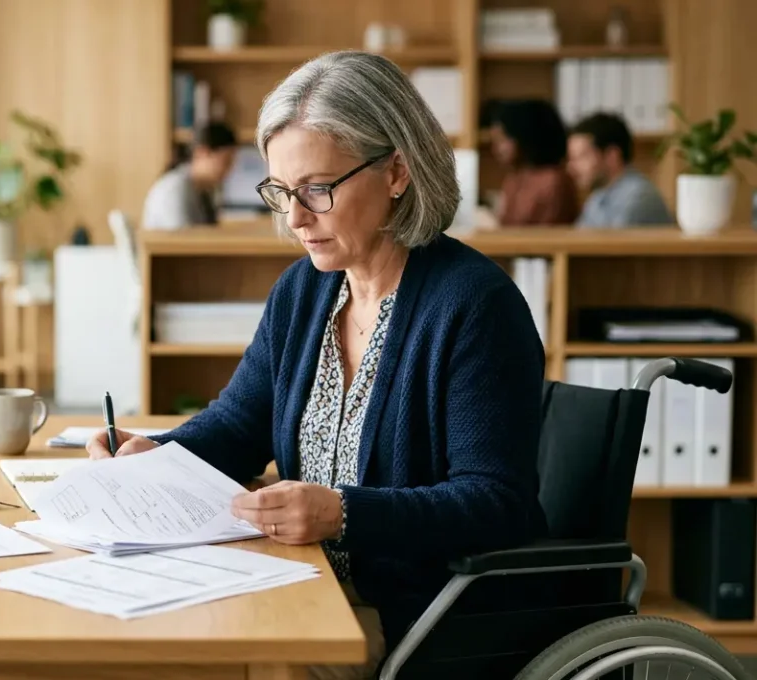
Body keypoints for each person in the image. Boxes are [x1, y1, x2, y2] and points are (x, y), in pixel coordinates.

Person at [89, 51, 547, 679]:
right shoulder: (305, 291)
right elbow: (239, 425)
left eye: (317, 190)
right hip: (307, 585)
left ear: (397, 172)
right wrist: (156, 455)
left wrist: (345, 513)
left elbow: (496, 503)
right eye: (281, 191)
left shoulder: (475, 306)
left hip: (421, 615)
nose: (296, 218)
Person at [567, 112, 674, 227]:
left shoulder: (637, 198)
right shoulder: (597, 197)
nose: (571, 167)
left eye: (582, 157)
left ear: (612, 157)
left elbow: (609, 244)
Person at [487, 99, 581, 225]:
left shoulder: (553, 181)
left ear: (524, 136)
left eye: (502, 140)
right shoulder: (514, 178)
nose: (496, 148)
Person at [141, 122, 237, 229]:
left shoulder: (203, 190)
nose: (229, 169)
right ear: (202, 153)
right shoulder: (176, 188)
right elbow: (184, 241)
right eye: (225, 161)